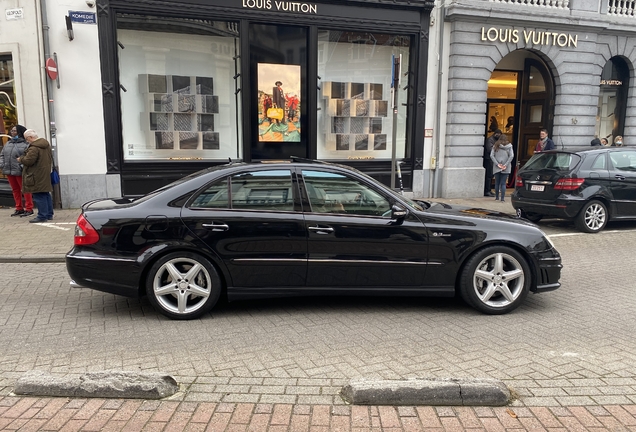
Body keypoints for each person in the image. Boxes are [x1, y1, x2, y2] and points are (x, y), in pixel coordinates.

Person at [17, 129, 54, 223]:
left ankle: (42, 216)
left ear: (30, 137)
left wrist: (21, 159)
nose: (26, 141)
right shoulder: (45, 145)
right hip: (44, 173)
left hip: (36, 174)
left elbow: (29, 161)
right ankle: (49, 214)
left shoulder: (34, 148)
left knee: (39, 195)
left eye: (26, 139)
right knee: (45, 194)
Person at [0, 125, 34, 217]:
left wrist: (21, 166)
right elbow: (2, 155)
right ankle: (19, 207)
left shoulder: (26, 144)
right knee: (15, 190)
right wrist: (2, 165)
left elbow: (28, 157)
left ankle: (29, 208)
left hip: (20, 171)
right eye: (12, 131)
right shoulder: (8, 143)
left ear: (19, 132)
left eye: (14, 131)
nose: (12, 132)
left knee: (25, 190)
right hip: (9, 170)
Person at [490, 134, 514, 203]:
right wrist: (505, 165)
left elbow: (491, 155)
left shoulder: (495, 146)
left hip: (497, 166)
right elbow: (511, 156)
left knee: (497, 183)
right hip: (506, 167)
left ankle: (497, 197)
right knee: (503, 183)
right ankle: (502, 199)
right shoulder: (509, 146)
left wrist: (497, 164)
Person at [483, 129, 501, 197]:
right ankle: (487, 191)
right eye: (498, 134)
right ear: (495, 133)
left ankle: (489, 190)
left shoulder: (495, 140)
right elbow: (490, 149)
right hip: (489, 160)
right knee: (488, 176)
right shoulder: (490, 140)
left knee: (490, 176)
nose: (499, 135)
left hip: (492, 160)